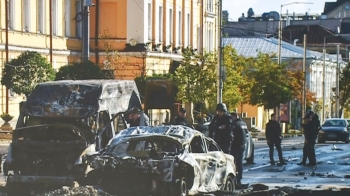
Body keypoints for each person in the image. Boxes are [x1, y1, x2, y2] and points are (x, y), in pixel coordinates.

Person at [230, 112, 247, 185]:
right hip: (242, 145)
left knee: (233, 162)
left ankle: (234, 179)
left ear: (234, 117)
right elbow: (246, 133)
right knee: (240, 163)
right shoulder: (243, 123)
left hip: (235, 146)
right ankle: (239, 178)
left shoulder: (235, 124)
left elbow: (232, 135)